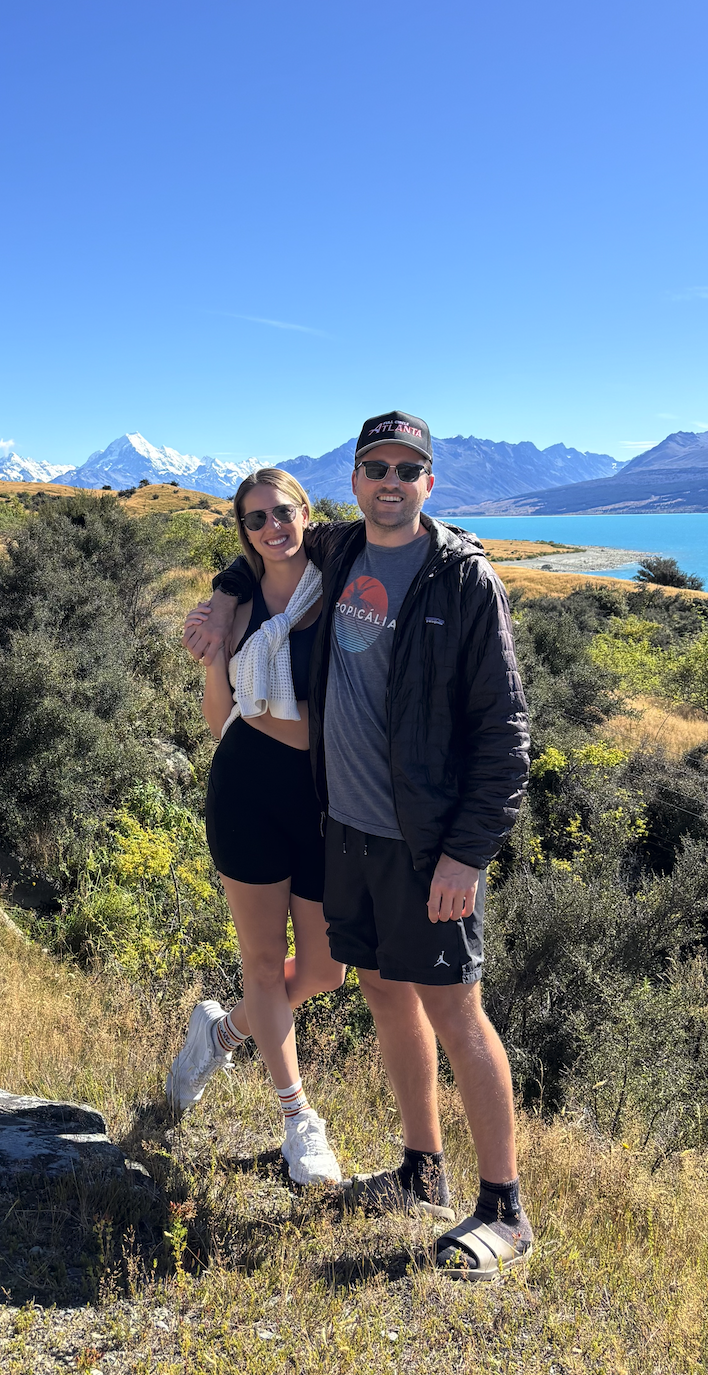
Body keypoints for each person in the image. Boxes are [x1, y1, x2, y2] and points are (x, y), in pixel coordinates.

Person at [185, 413, 533, 1279]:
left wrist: (466, 853)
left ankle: (505, 1210)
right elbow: (260, 548)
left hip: (427, 843)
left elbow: (505, 731)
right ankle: (422, 1170)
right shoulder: (338, 553)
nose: (390, 480)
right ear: (353, 479)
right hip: (345, 830)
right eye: (375, 466)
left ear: (429, 480)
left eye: (407, 467)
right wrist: (224, 598)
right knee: (383, 993)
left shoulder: (461, 577)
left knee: (456, 1008)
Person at [167, 467, 345, 1187]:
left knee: (328, 971)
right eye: (257, 519)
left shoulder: (337, 585)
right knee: (266, 965)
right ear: (243, 531)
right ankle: (299, 1121)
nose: (274, 527)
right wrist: (213, 656)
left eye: (283, 512)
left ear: (306, 513)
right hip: (247, 790)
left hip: (328, 799)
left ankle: (222, 1032)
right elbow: (221, 722)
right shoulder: (234, 608)